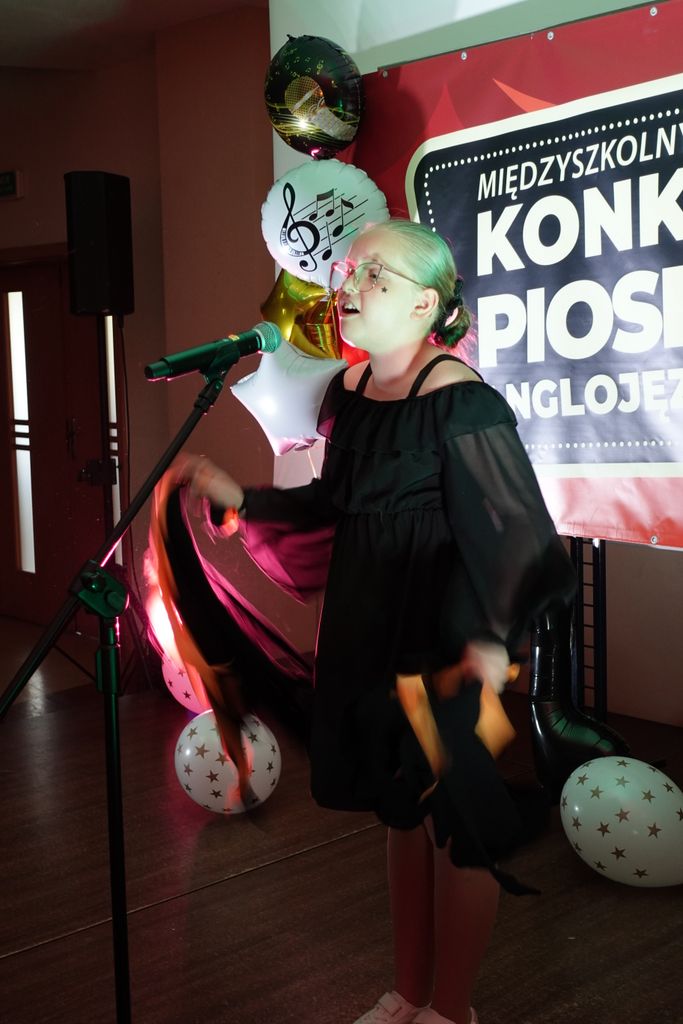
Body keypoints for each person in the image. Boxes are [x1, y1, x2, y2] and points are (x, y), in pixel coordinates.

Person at [175, 218, 576, 1024]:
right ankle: (408, 994)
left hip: (448, 640)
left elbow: (516, 536)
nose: (348, 288)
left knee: (455, 821)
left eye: (373, 276)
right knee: (400, 809)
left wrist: (488, 643)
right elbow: (336, 505)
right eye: (348, 273)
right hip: (367, 626)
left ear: (425, 304)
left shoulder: (462, 404)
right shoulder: (348, 396)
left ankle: (451, 1010)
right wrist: (242, 498)